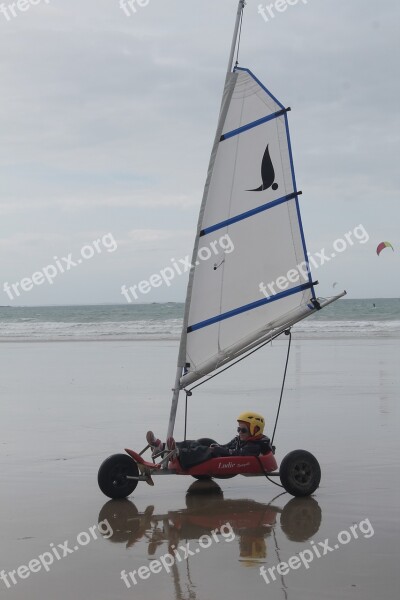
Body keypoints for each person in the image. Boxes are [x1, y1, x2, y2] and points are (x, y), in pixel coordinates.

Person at [146, 412, 273, 467]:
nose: (239, 432)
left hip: (229, 461)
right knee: (196, 443)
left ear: (255, 430)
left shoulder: (255, 446)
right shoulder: (240, 439)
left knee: (205, 451)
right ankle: (162, 446)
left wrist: (219, 450)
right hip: (225, 455)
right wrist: (218, 447)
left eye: (243, 430)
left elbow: (240, 454)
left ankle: (178, 453)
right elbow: (226, 445)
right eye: (238, 429)